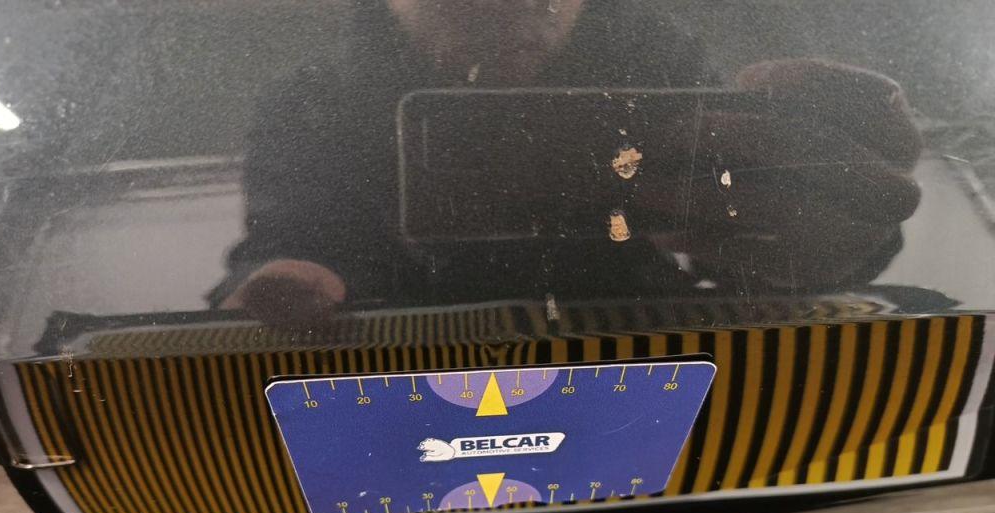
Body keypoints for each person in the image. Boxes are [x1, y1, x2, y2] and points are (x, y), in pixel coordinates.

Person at [211, 0, 922, 326]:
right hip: (402, 378)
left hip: (633, 362)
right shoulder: (308, 98)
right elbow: (291, 242)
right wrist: (270, 289)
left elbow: (736, 210)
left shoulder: (657, 56)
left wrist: (822, 230)